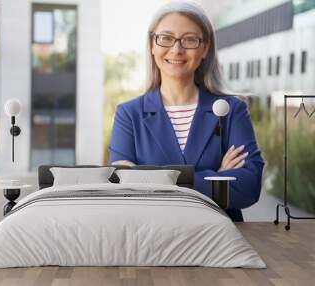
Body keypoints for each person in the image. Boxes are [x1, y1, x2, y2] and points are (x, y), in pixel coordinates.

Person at [108, 0, 264, 222]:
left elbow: (249, 187)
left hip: (220, 242)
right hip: (151, 240)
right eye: (166, 38)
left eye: (189, 39)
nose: (176, 49)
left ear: (205, 47)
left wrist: (153, 181)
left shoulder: (232, 111)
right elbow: (125, 190)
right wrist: (217, 179)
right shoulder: (129, 115)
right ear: (152, 45)